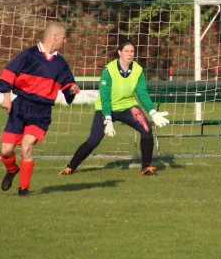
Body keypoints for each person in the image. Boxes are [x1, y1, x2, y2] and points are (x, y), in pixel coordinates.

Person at [59, 39, 170, 176]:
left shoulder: (138, 69)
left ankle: (146, 167)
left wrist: (153, 112)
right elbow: (105, 97)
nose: (129, 54)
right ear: (119, 52)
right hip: (106, 108)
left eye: (132, 51)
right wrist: (108, 118)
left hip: (128, 106)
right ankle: (71, 167)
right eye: (126, 51)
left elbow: (142, 93)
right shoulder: (109, 70)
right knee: (93, 140)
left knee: (147, 130)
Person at [0, 23, 80, 196]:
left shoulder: (61, 63)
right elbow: (8, 74)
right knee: (6, 151)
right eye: (63, 37)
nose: (65, 41)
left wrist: (72, 88)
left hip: (42, 112)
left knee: (27, 146)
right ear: (55, 37)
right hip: (20, 107)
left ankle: (23, 189)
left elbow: (67, 84)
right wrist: (6, 99)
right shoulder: (28, 55)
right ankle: (12, 170)